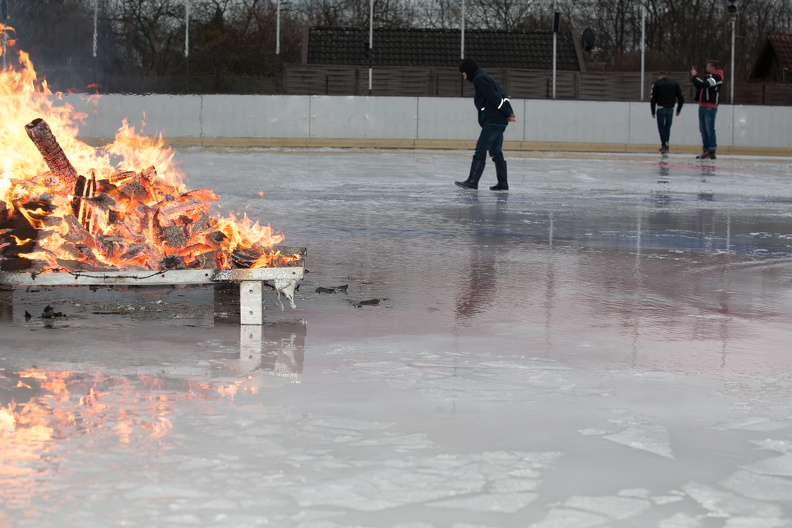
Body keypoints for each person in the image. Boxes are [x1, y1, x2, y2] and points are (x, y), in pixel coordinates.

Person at [455, 58, 516, 191]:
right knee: (495, 151)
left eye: (463, 73)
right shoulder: (487, 78)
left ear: (468, 71)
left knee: (481, 149)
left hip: (493, 121)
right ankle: (503, 183)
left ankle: (472, 181)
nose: (464, 77)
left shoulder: (480, 79)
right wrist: (509, 112)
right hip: (498, 121)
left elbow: (495, 97)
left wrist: (507, 113)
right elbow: (503, 96)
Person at [690, 60, 723, 160]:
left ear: (713, 67)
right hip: (703, 105)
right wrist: (694, 77)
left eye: (708, 66)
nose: (706, 68)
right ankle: (706, 150)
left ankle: (711, 150)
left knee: (709, 128)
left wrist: (695, 76)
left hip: (710, 106)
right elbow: (700, 86)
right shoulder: (709, 77)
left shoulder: (717, 77)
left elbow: (704, 85)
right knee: (703, 129)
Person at [650, 71, 684, 155]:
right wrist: (679, 109)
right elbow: (680, 97)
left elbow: (653, 98)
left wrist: (653, 111)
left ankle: (665, 144)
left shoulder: (657, 84)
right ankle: (665, 145)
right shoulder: (674, 84)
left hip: (661, 108)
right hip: (670, 108)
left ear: (660, 76)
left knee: (661, 128)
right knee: (667, 127)